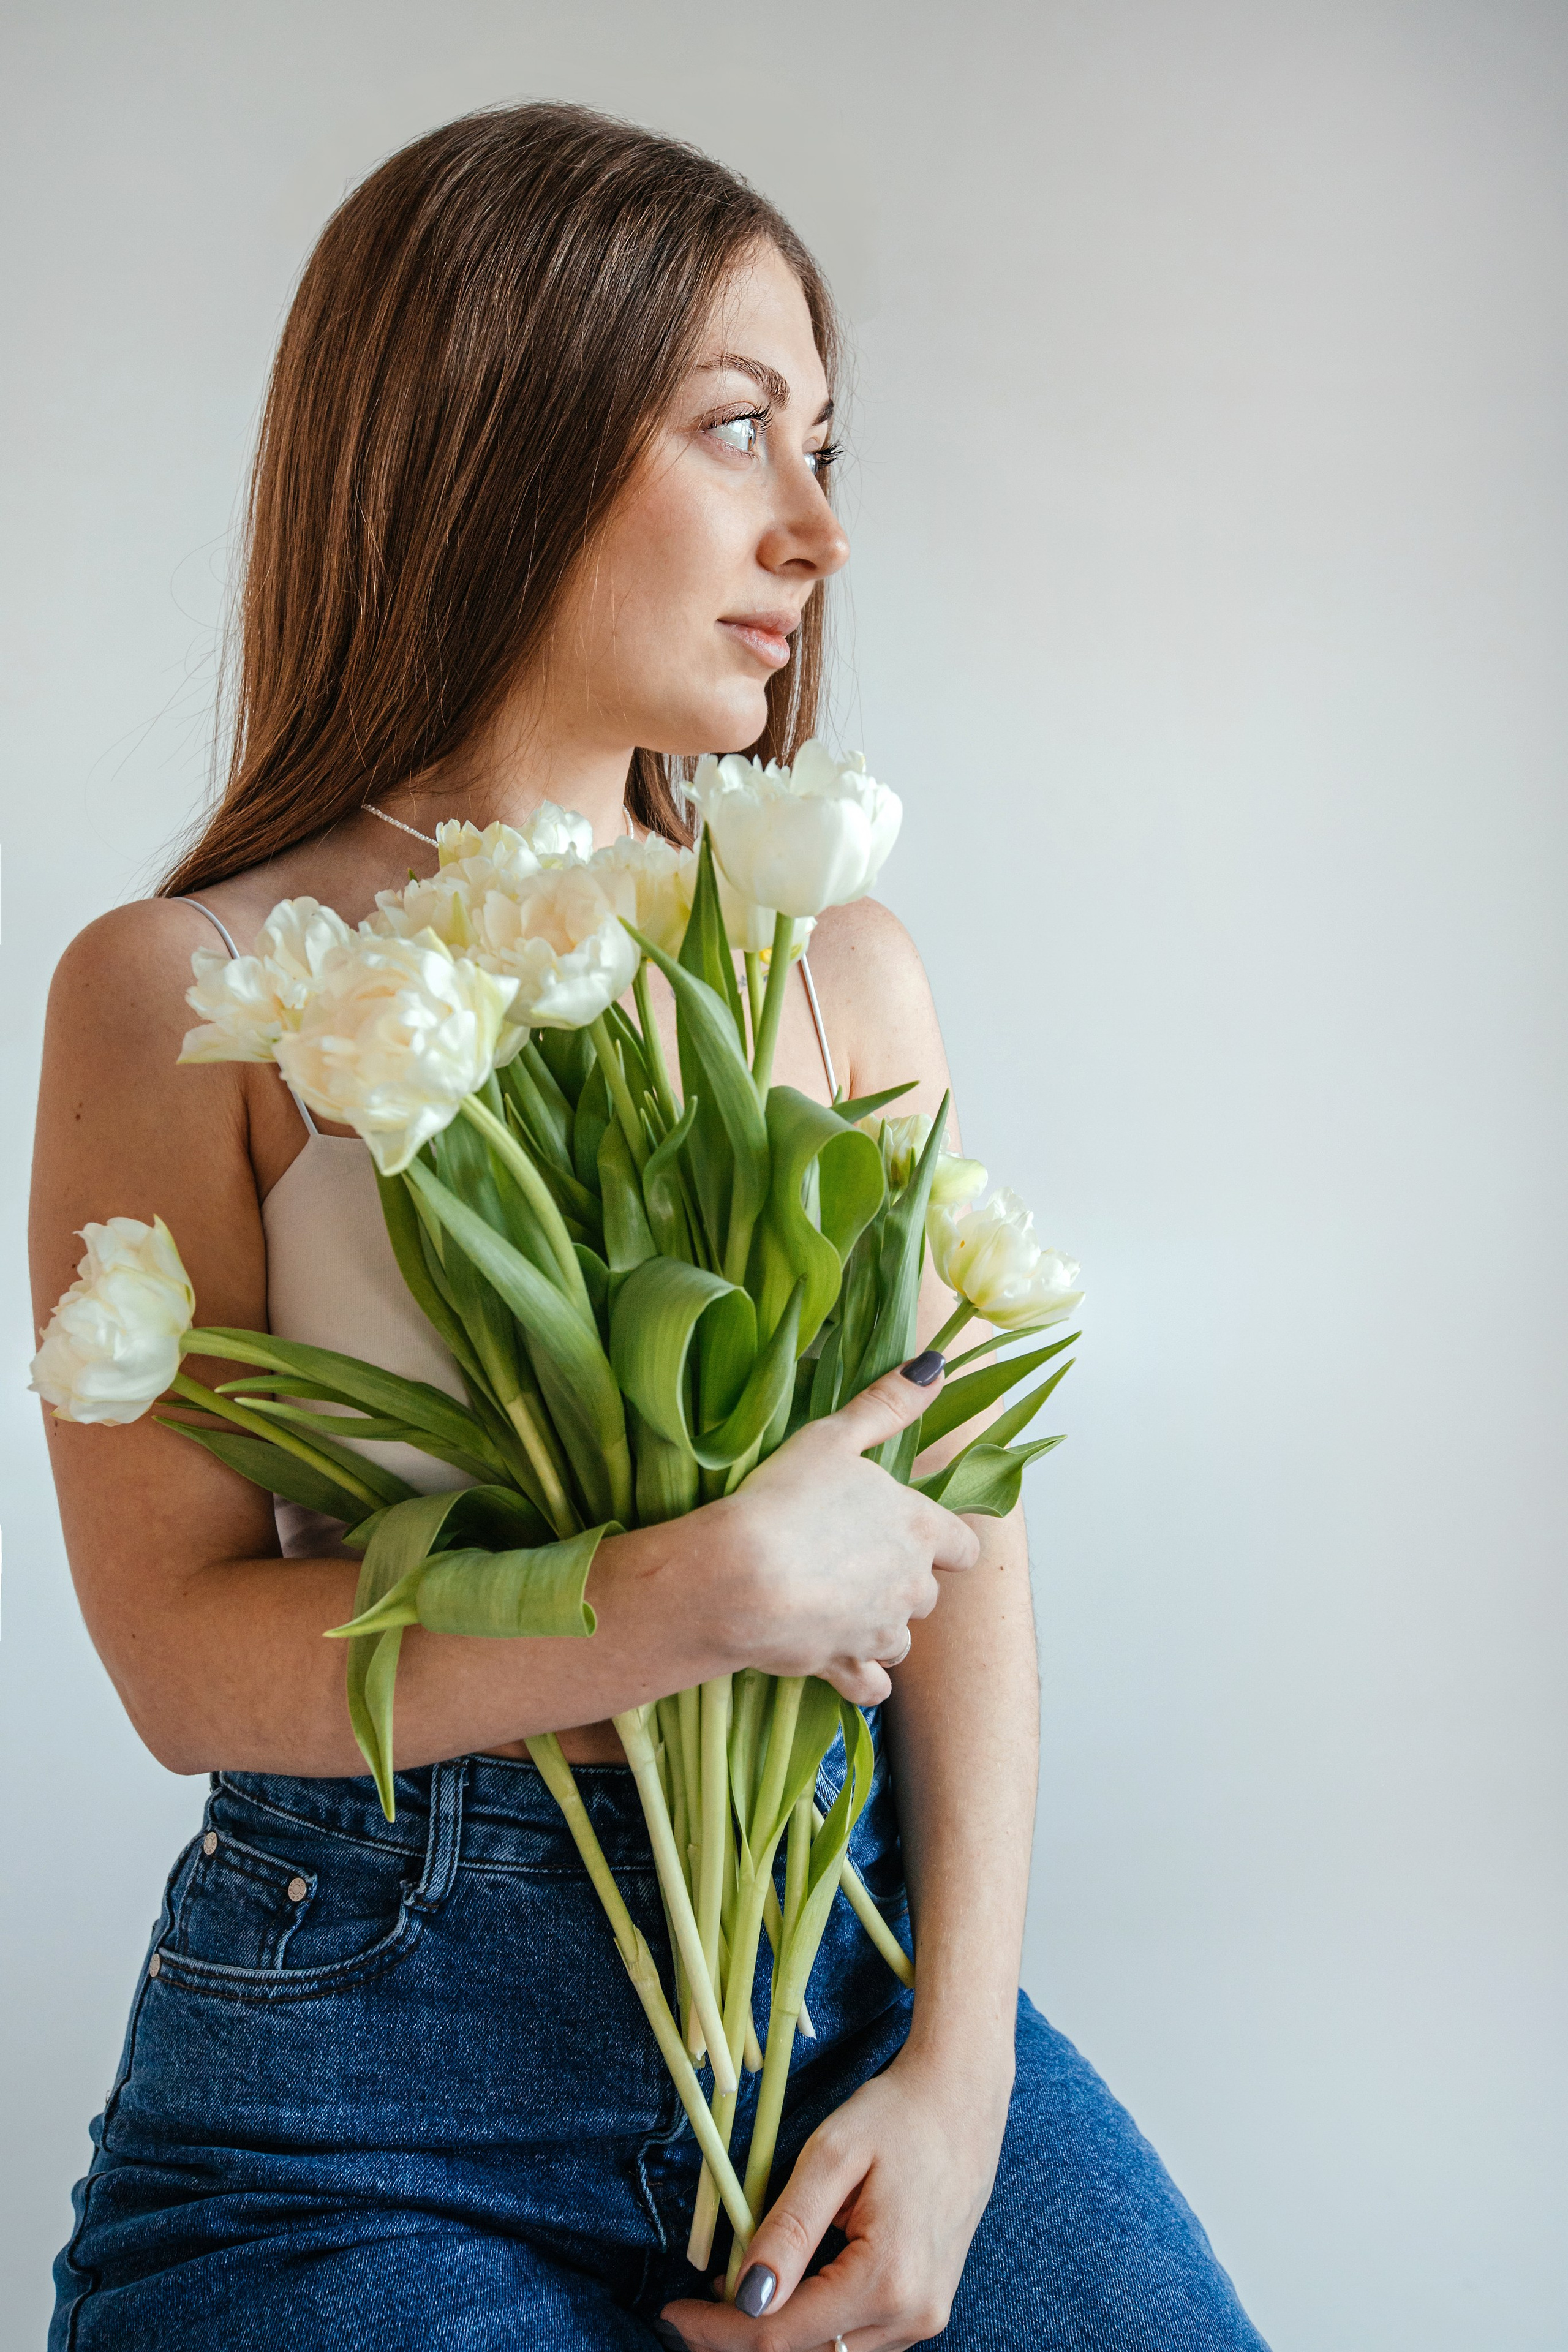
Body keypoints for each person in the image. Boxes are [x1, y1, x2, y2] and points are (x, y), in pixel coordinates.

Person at [31, 102, 1268, 2352]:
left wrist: (964, 2078)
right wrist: (679, 1600)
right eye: (736, 430)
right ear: (496, 433)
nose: (820, 529)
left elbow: (959, 1529)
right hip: (358, 2077)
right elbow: (174, 1653)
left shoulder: (835, 963)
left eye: (828, 441)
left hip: (847, 1985)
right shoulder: (185, 986)